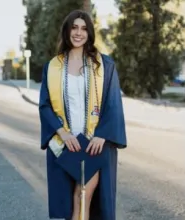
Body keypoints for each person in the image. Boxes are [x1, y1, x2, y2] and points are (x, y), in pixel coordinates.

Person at [39, 9, 127, 220]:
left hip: (92, 144)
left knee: (83, 196)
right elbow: (45, 106)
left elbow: (113, 103)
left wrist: (102, 134)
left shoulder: (104, 65)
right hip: (64, 143)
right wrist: (63, 133)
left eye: (84, 28)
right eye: (74, 27)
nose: (79, 33)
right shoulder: (52, 67)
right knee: (65, 202)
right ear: (67, 31)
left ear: (89, 33)